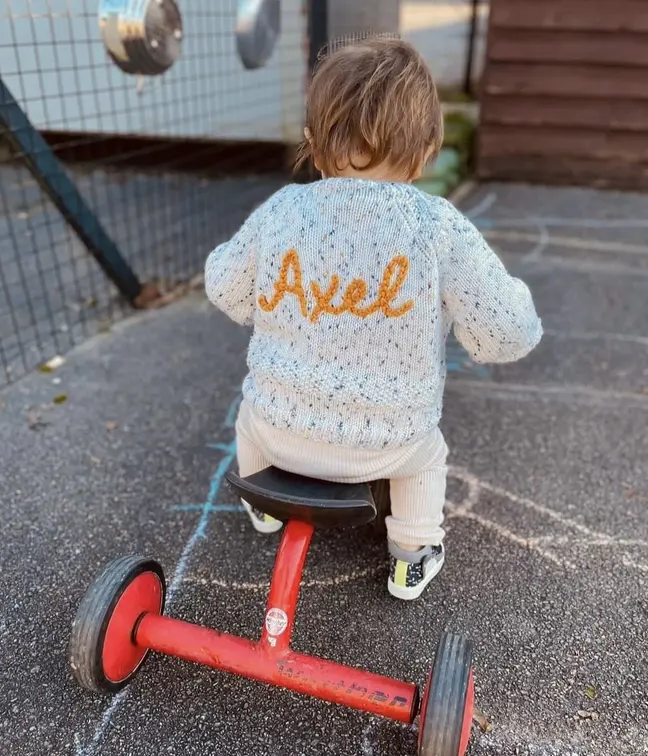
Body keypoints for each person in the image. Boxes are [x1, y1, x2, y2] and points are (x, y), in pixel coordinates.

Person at [205, 36, 542, 600]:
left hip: (277, 429)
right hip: (387, 444)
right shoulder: (436, 226)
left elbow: (226, 286)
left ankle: (263, 506)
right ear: (428, 145)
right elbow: (506, 330)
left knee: (250, 408)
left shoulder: (284, 209)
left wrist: (275, 303)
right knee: (426, 456)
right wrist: (511, 313)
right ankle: (412, 551)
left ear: (312, 142)